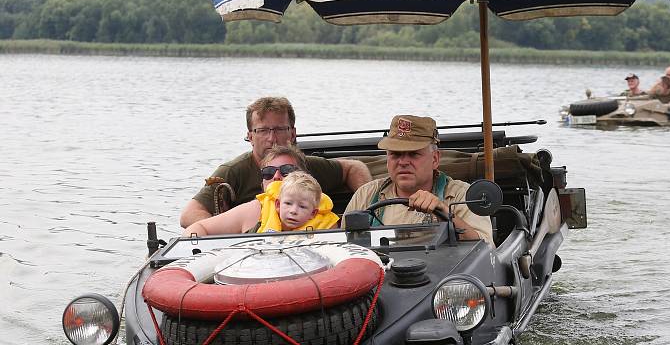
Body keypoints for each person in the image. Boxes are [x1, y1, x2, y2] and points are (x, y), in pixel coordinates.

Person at [179, 96, 370, 228]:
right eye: (262, 130)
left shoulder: (306, 165)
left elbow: (354, 167)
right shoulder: (233, 171)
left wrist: (366, 212)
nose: (272, 138)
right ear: (250, 136)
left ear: (293, 134)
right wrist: (225, 228)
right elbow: (189, 215)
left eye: (279, 129)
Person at [344, 115, 493, 244]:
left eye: (413, 154)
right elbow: (342, 247)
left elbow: (485, 250)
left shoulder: (462, 195)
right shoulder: (366, 195)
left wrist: (443, 212)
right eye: (395, 154)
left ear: (435, 159)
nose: (403, 162)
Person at [182, 146, 337, 237]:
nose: (276, 176)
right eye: (268, 172)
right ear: (263, 183)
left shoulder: (326, 221)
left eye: (287, 170)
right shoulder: (252, 210)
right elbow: (197, 229)